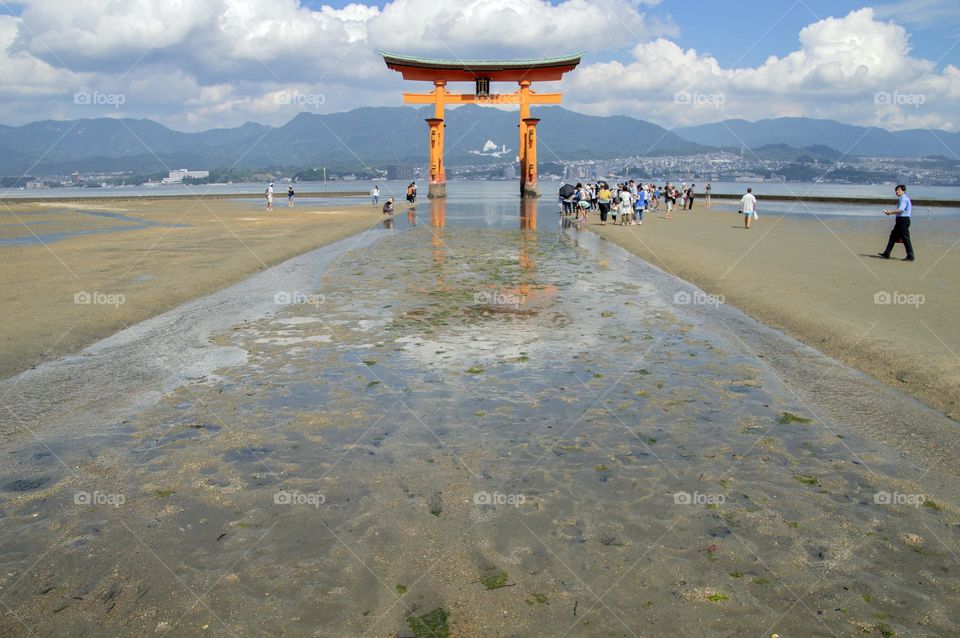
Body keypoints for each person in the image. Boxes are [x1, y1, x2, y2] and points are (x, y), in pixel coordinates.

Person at [879, 184, 915, 261]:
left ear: (903, 191)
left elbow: (900, 210)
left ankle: (910, 256)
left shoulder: (904, 198)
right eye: (896, 190)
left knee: (905, 238)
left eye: (898, 190)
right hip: (900, 220)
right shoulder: (902, 198)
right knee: (893, 236)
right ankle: (886, 253)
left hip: (903, 220)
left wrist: (890, 212)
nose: (896, 192)